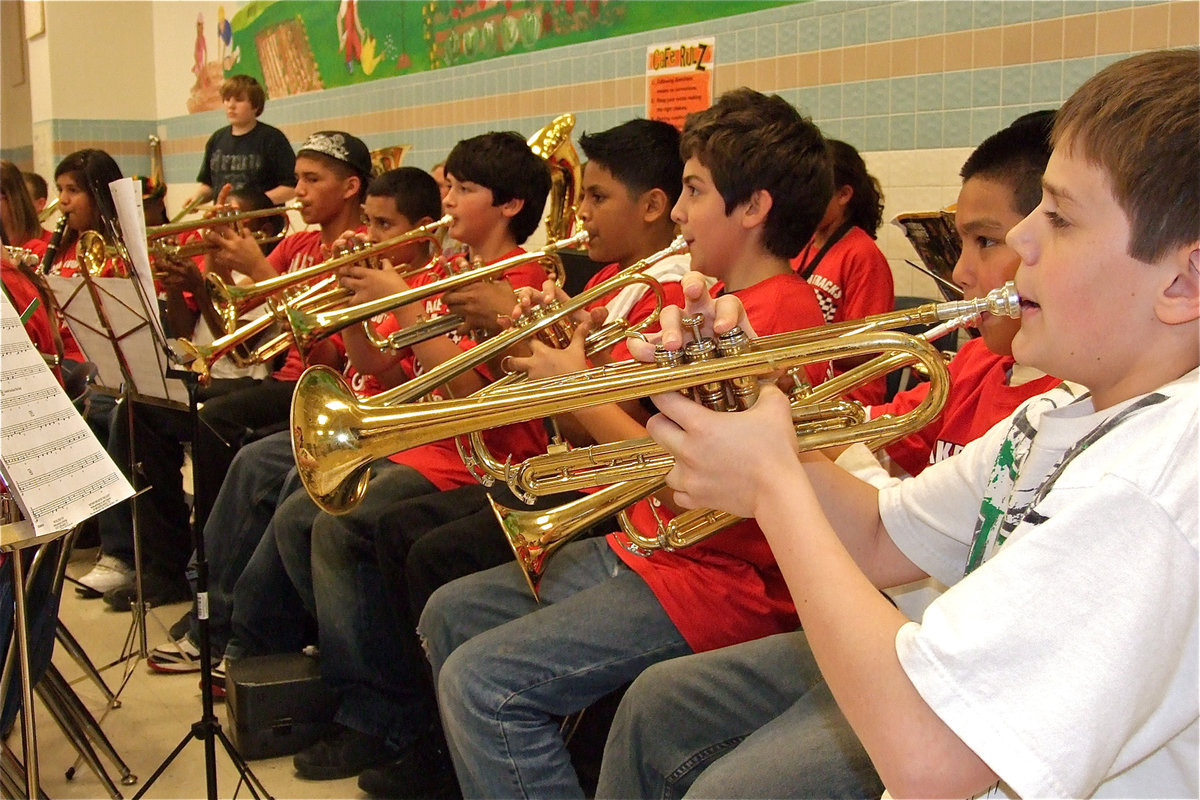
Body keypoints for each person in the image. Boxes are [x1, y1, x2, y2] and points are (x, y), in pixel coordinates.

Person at [631, 50, 1197, 798]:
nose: (1022, 240)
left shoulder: (1154, 486)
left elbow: (930, 755)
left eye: (1057, 217)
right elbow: (876, 536)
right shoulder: (1060, 412)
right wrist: (748, 398)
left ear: (1183, 283)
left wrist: (773, 485)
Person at [596, 110, 1064, 800]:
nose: (960, 271)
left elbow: (934, 756)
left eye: (987, 241)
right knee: (653, 707)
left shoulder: (1110, 444)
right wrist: (767, 398)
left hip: (927, 666)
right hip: (903, 627)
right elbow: (885, 516)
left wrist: (774, 457)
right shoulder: (986, 376)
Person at [418, 88, 831, 799]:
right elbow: (635, 432)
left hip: (720, 581)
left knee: (484, 684)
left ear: (753, 208)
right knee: (448, 612)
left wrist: (578, 385)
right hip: (650, 545)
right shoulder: (711, 298)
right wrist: (557, 352)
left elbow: (692, 477)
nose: (676, 211)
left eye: (694, 191)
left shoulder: (780, 319)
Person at [357, 116, 693, 797]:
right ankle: (438, 744)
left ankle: (442, 747)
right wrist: (547, 332)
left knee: (423, 549)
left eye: (596, 197)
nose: (582, 212)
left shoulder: (677, 289)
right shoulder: (622, 281)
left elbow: (580, 417)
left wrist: (524, 327)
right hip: (587, 477)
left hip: (615, 497)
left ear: (654, 207)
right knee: (413, 553)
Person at [255, 131, 554, 784]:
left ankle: (378, 710)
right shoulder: (445, 271)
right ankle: (366, 675)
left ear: (509, 205)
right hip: (425, 442)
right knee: (307, 516)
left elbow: (473, 397)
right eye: (446, 186)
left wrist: (410, 301)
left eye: (462, 189)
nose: (446, 198)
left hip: (481, 458)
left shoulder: (526, 281)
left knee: (338, 529)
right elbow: (376, 363)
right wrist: (362, 303)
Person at [145, 167, 446, 676]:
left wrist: (384, 299)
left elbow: (351, 359)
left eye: (384, 226)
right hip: (346, 404)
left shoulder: (429, 280)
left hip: (378, 416)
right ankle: (217, 616)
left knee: (280, 480)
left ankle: (247, 635)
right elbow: (249, 340)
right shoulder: (334, 254)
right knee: (253, 463)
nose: (372, 237)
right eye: (370, 223)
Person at [793, 139, 894, 405]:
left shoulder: (863, 254)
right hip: (810, 386)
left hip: (848, 398)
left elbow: (869, 346)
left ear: (843, 195)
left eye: (813, 191)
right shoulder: (801, 245)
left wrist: (801, 349)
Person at [183, 74, 296, 211]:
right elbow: (209, 185)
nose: (231, 106)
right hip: (222, 222)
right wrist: (196, 199)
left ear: (255, 106)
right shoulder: (216, 139)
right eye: (227, 99)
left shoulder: (273, 139)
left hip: (262, 224)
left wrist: (252, 203)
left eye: (239, 100)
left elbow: (292, 187)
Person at [46, 149, 125, 277]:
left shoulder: (121, 255)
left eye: (73, 190)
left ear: (98, 197)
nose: (63, 200)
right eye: (60, 189)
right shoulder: (58, 250)